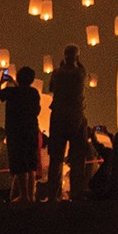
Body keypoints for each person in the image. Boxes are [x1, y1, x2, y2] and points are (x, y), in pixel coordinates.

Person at [45, 45, 90, 200]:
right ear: (76, 57)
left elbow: (51, 88)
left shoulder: (57, 73)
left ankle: (53, 194)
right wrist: (78, 61)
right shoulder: (80, 73)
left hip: (58, 115)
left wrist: (61, 65)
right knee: (78, 157)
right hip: (76, 115)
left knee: (55, 158)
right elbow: (83, 71)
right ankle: (76, 192)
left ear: (64, 56)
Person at [0, 66, 41, 203]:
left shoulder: (11, 92)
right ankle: (31, 195)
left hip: (16, 132)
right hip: (31, 129)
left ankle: (24, 195)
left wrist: (2, 82)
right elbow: (36, 110)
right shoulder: (33, 93)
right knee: (31, 164)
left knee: (19, 163)